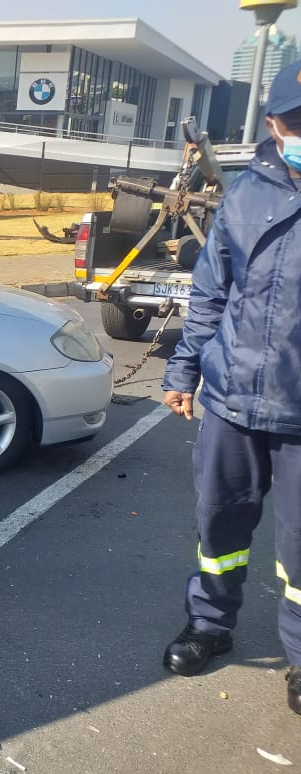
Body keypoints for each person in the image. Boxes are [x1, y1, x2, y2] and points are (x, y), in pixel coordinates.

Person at [160, 60, 301, 717]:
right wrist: (184, 370)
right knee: (219, 526)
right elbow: (212, 292)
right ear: (273, 124)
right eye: (296, 123)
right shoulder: (247, 193)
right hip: (232, 402)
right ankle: (210, 626)